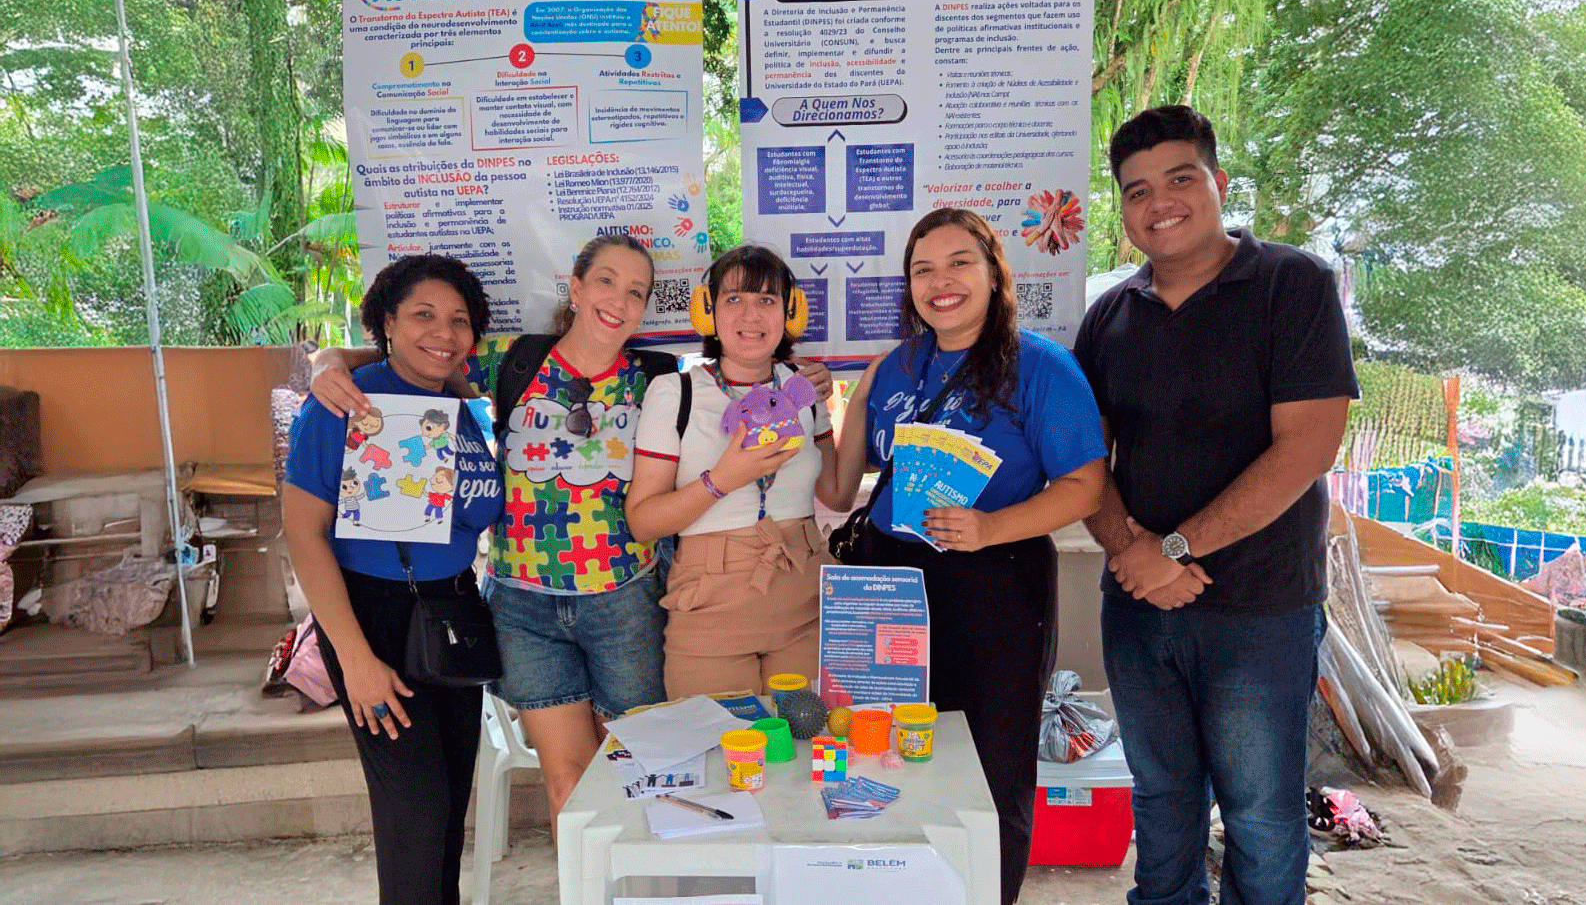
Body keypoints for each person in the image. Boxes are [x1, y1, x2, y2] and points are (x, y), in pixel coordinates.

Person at [310, 236, 834, 831]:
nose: (620, 301)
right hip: (525, 609)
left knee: (644, 778)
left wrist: (803, 379)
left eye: (637, 292)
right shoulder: (513, 361)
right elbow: (419, 356)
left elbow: (744, 390)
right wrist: (328, 360)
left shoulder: (655, 378)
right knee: (572, 789)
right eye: (606, 281)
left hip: (625, 604)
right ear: (577, 289)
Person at [1074, 104, 1359, 905]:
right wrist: (1133, 553)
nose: (1159, 201)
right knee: (1161, 801)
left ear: (1218, 183)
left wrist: (1169, 553)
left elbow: (1306, 448)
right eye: (1136, 190)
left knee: (1262, 816)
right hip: (1137, 610)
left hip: (1260, 608)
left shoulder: (1289, 285)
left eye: (1179, 178)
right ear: (1123, 209)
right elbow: (1084, 461)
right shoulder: (1110, 317)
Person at [836, 208, 1109, 905]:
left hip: (994, 584)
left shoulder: (1042, 365)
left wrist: (993, 528)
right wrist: (825, 405)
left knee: (991, 763)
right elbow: (848, 480)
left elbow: (1084, 486)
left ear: (993, 273)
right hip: (889, 583)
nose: (941, 281)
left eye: (959, 262)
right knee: (887, 751)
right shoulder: (898, 366)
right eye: (922, 268)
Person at [283, 253, 504, 905]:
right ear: (386, 321)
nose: (444, 332)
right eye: (424, 315)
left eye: (459, 320)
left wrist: (332, 356)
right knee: (414, 815)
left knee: (444, 817)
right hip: (375, 619)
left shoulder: (465, 405)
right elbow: (303, 534)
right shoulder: (343, 406)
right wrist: (354, 660)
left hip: (455, 614)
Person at [625, 244, 843, 699]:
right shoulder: (676, 392)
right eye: (734, 299)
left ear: (790, 314)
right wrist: (722, 478)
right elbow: (643, 522)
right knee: (725, 761)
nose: (751, 315)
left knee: (808, 757)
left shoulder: (804, 389)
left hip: (806, 602)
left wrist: (856, 399)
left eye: (767, 301)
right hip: (708, 611)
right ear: (709, 312)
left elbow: (838, 495)